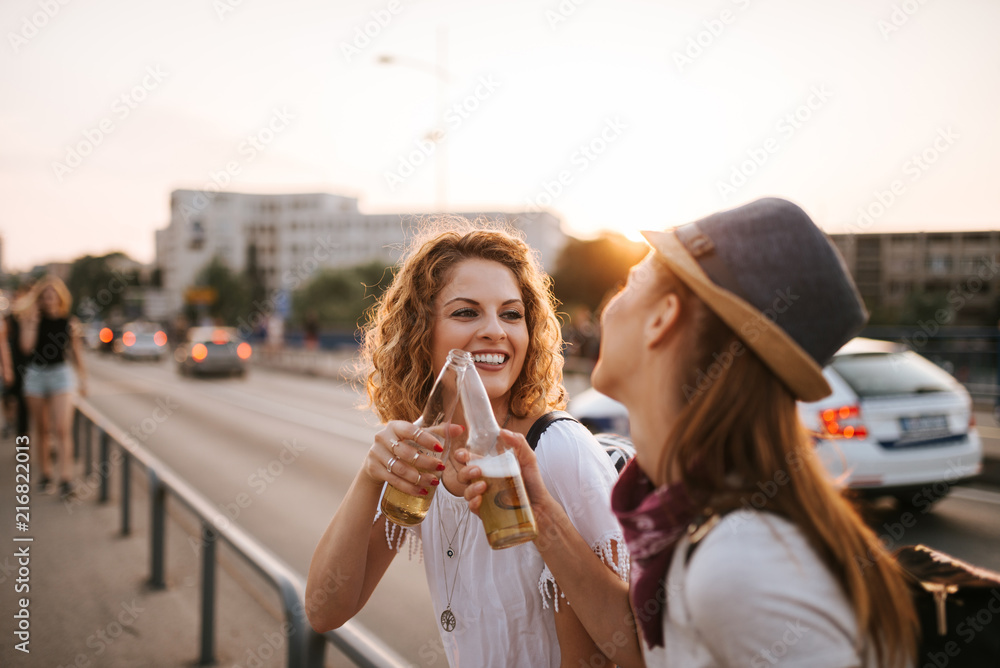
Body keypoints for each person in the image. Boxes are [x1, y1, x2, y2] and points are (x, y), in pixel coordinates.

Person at [461, 198, 918, 668]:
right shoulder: (691, 511)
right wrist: (540, 513)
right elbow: (647, 650)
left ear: (662, 318)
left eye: (630, 281)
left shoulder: (740, 563)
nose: (610, 303)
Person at [306, 222, 629, 667]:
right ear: (420, 331)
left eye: (511, 314)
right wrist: (369, 476)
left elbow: (630, 646)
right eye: (466, 313)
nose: (495, 330)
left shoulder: (555, 449)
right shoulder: (422, 457)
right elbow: (325, 610)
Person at [16, 275, 88, 499]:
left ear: (60, 298)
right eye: (44, 296)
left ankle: (66, 478)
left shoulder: (69, 322)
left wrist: (83, 378)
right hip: (36, 375)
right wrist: (32, 323)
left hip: (61, 375)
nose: (48, 300)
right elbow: (26, 349)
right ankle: (46, 474)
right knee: (42, 428)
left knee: (62, 428)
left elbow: (76, 353)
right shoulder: (31, 319)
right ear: (39, 299)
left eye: (52, 295)